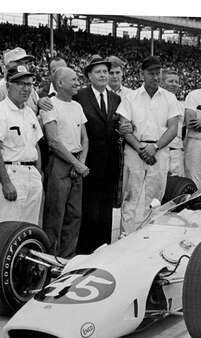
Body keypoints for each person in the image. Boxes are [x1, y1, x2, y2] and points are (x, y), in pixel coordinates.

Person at [117, 56, 180, 235]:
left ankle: (148, 238)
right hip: (135, 150)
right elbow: (124, 126)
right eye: (151, 73)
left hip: (159, 151)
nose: (155, 77)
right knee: (131, 198)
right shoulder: (131, 97)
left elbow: (173, 128)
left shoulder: (169, 98)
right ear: (142, 74)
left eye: (158, 73)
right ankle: (125, 239)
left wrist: (156, 147)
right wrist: (140, 149)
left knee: (154, 199)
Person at [73, 55, 123, 254]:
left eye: (106, 72)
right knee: (89, 208)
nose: (103, 75)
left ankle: (103, 249)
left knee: (105, 210)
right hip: (89, 161)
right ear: (89, 76)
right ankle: (85, 250)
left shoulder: (115, 98)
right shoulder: (80, 96)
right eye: (99, 72)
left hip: (110, 162)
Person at [40, 67, 89, 258]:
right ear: (60, 83)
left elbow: (85, 138)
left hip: (77, 162)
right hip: (59, 162)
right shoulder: (50, 105)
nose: (78, 82)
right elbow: (53, 141)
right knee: (55, 215)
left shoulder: (77, 106)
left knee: (74, 214)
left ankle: (67, 257)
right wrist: (75, 163)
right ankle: (50, 259)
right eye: (74, 79)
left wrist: (81, 162)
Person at [0, 65, 44, 225]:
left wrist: (37, 175)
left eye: (28, 84)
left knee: (29, 227)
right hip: (11, 172)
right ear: (8, 86)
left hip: (31, 173)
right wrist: (5, 182)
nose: (25, 88)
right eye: (20, 84)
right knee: (7, 227)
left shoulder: (29, 112)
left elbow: (36, 146)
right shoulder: (0, 111)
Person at [106, 55, 133, 207]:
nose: (115, 76)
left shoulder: (131, 94)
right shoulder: (101, 93)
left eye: (117, 72)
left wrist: (131, 126)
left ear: (123, 73)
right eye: (111, 73)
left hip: (125, 144)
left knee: (123, 184)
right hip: (106, 143)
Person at [0, 47, 39, 114]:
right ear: (8, 65)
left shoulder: (30, 88)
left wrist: (41, 104)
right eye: (19, 62)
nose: (25, 66)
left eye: (26, 63)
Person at [161, 69, 185, 176]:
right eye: (170, 81)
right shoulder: (155, 103)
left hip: (177, 152)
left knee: (176, 186)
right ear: (162, 83)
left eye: (176, 82)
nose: (174, 84)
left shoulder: (181, 105)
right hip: (160, 150)